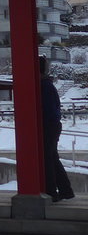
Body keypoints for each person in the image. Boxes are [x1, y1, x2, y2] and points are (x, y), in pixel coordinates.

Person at [39, 56, 75, 202]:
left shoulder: (43, 86)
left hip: (48, 126)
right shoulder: (47, 85)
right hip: (53, 125)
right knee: (52, 158)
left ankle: (52, 191)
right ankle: (66, 190)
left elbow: (48, 110)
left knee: (48, 159)